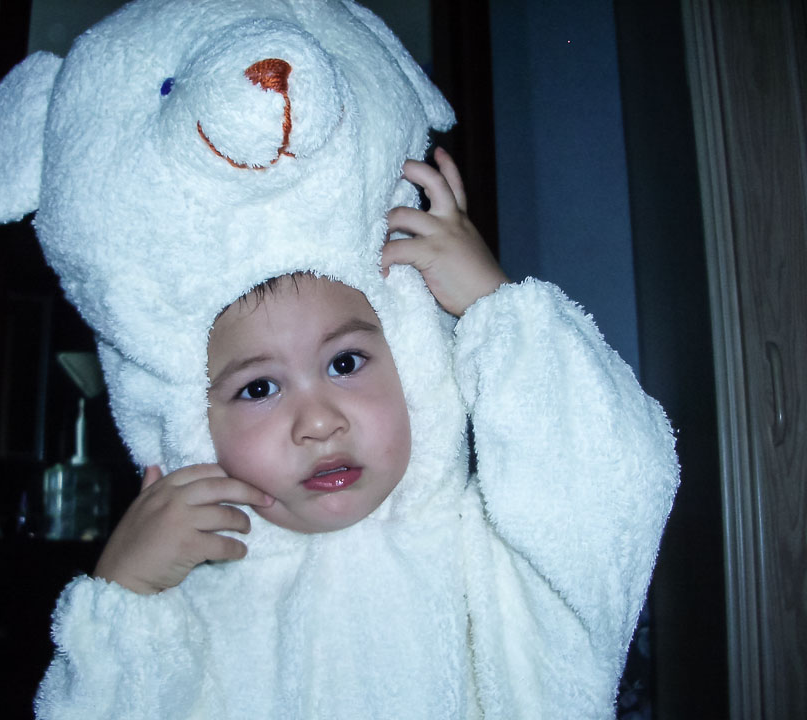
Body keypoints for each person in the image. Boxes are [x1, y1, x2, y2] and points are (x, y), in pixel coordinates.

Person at [34, 149, 679, 719]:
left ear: (414, 364)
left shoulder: (493, 553)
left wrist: (498, 308)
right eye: (258, 388)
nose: (319, 422)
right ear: (190, 424)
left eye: (345, 363)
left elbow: (608, 487)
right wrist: (124, 600)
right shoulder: (181, 618)